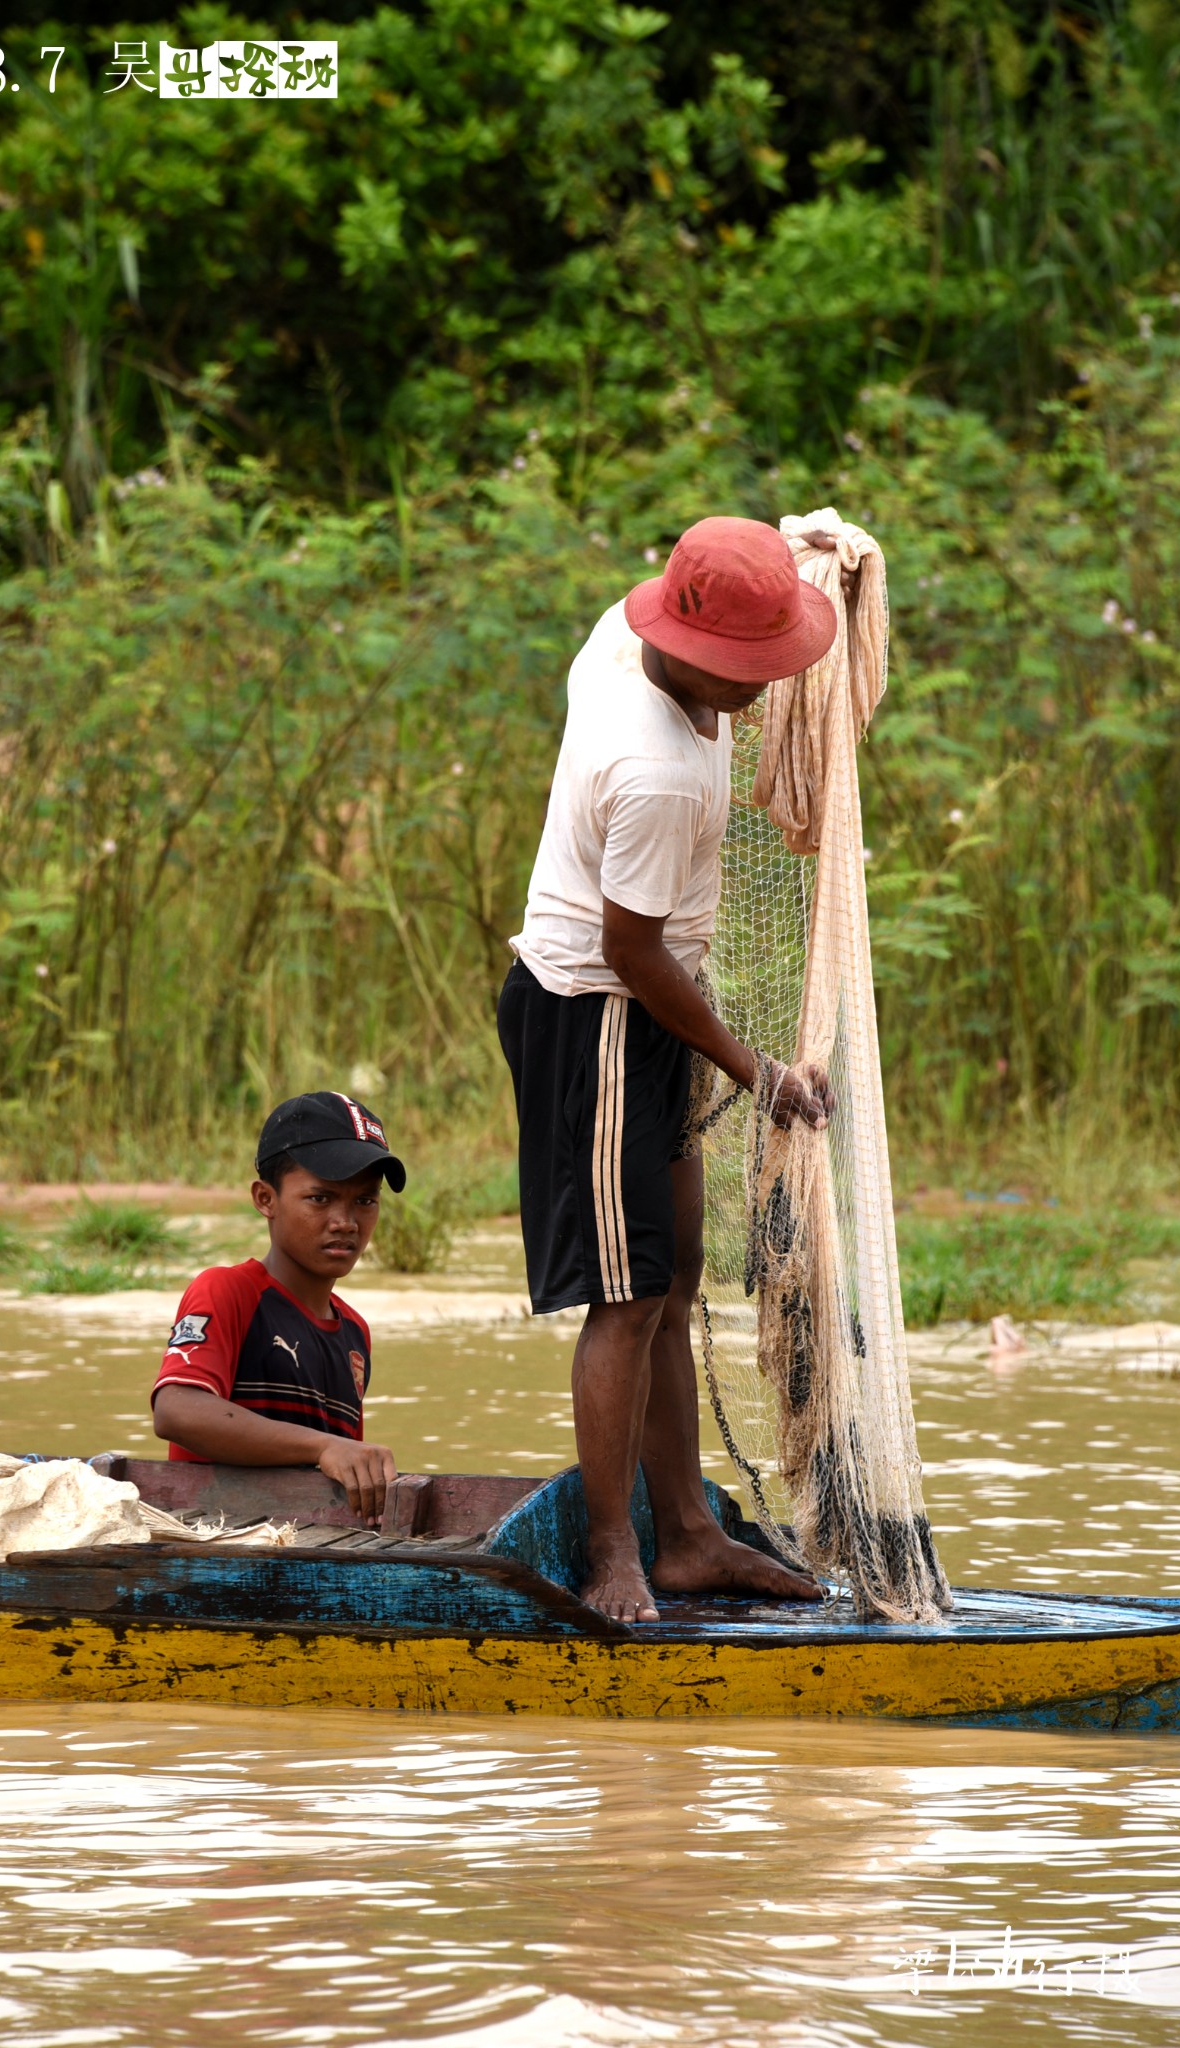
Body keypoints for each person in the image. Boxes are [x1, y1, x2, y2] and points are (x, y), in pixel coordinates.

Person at [498, 516, 850, 1624]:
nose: (758, 688)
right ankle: (616, 1552)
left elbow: (726, 573)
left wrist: (804, 546)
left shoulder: (628, 625)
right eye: (745, 670)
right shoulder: (649, 768)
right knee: (629, 1291)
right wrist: (752, 1064)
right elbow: (631, 952)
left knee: (677, 1271)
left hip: (652, 1010)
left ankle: (690, 1535)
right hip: (597, 1014)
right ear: (686, 649)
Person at [151, 1091, 404, 1527]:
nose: (345, 1221)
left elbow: (342, 1476)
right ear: (266, 1199)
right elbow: (177, 1410)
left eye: (365, 1201)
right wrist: (324, 1447)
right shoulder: (229, 1292)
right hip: (219, 1545)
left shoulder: (354, 1334)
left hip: (309, 1549)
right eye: (320, 1199)